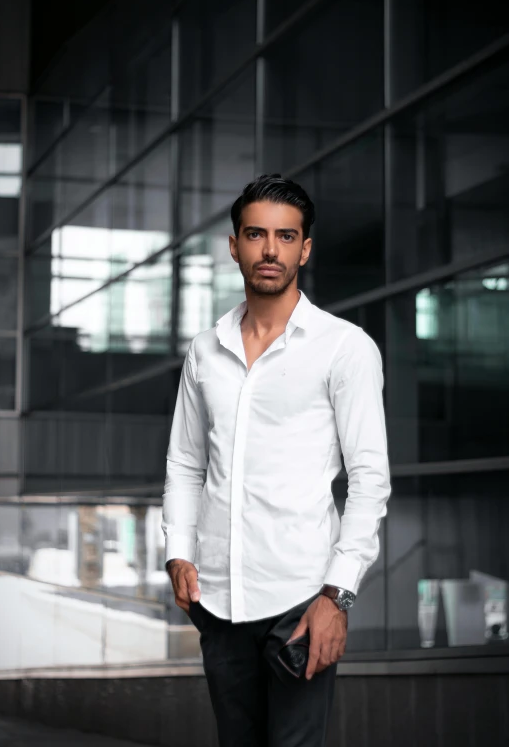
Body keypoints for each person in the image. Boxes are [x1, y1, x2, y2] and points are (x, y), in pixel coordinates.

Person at [162, 174, 391, 747]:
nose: (271, 250)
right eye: (256, 234)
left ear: (305, 248)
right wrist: (177, 553)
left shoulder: (345, 348)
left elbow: (369, 482)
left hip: (302, 599)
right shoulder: (205, 350)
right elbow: (186, 464)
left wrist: (337, 596)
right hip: (217, 602)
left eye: (286, 237)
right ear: (234, 244)